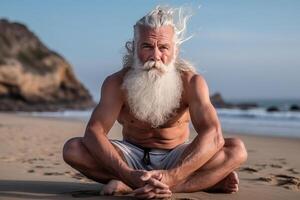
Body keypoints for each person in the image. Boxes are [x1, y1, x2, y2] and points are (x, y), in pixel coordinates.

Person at [63, 6, 247, 199]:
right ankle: (196, 183)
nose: (156, 56)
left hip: (177, 157)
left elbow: (214, 136)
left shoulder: (192, 82)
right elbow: (94, 132)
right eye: (147, 46)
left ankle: (150, 186)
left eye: (164, 47)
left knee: (236, 150)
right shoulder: (116, 83)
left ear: (175, 50)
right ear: (134, 47)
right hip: (129, 157)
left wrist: (171, 176)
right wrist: (128, 174)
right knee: (73, 149)